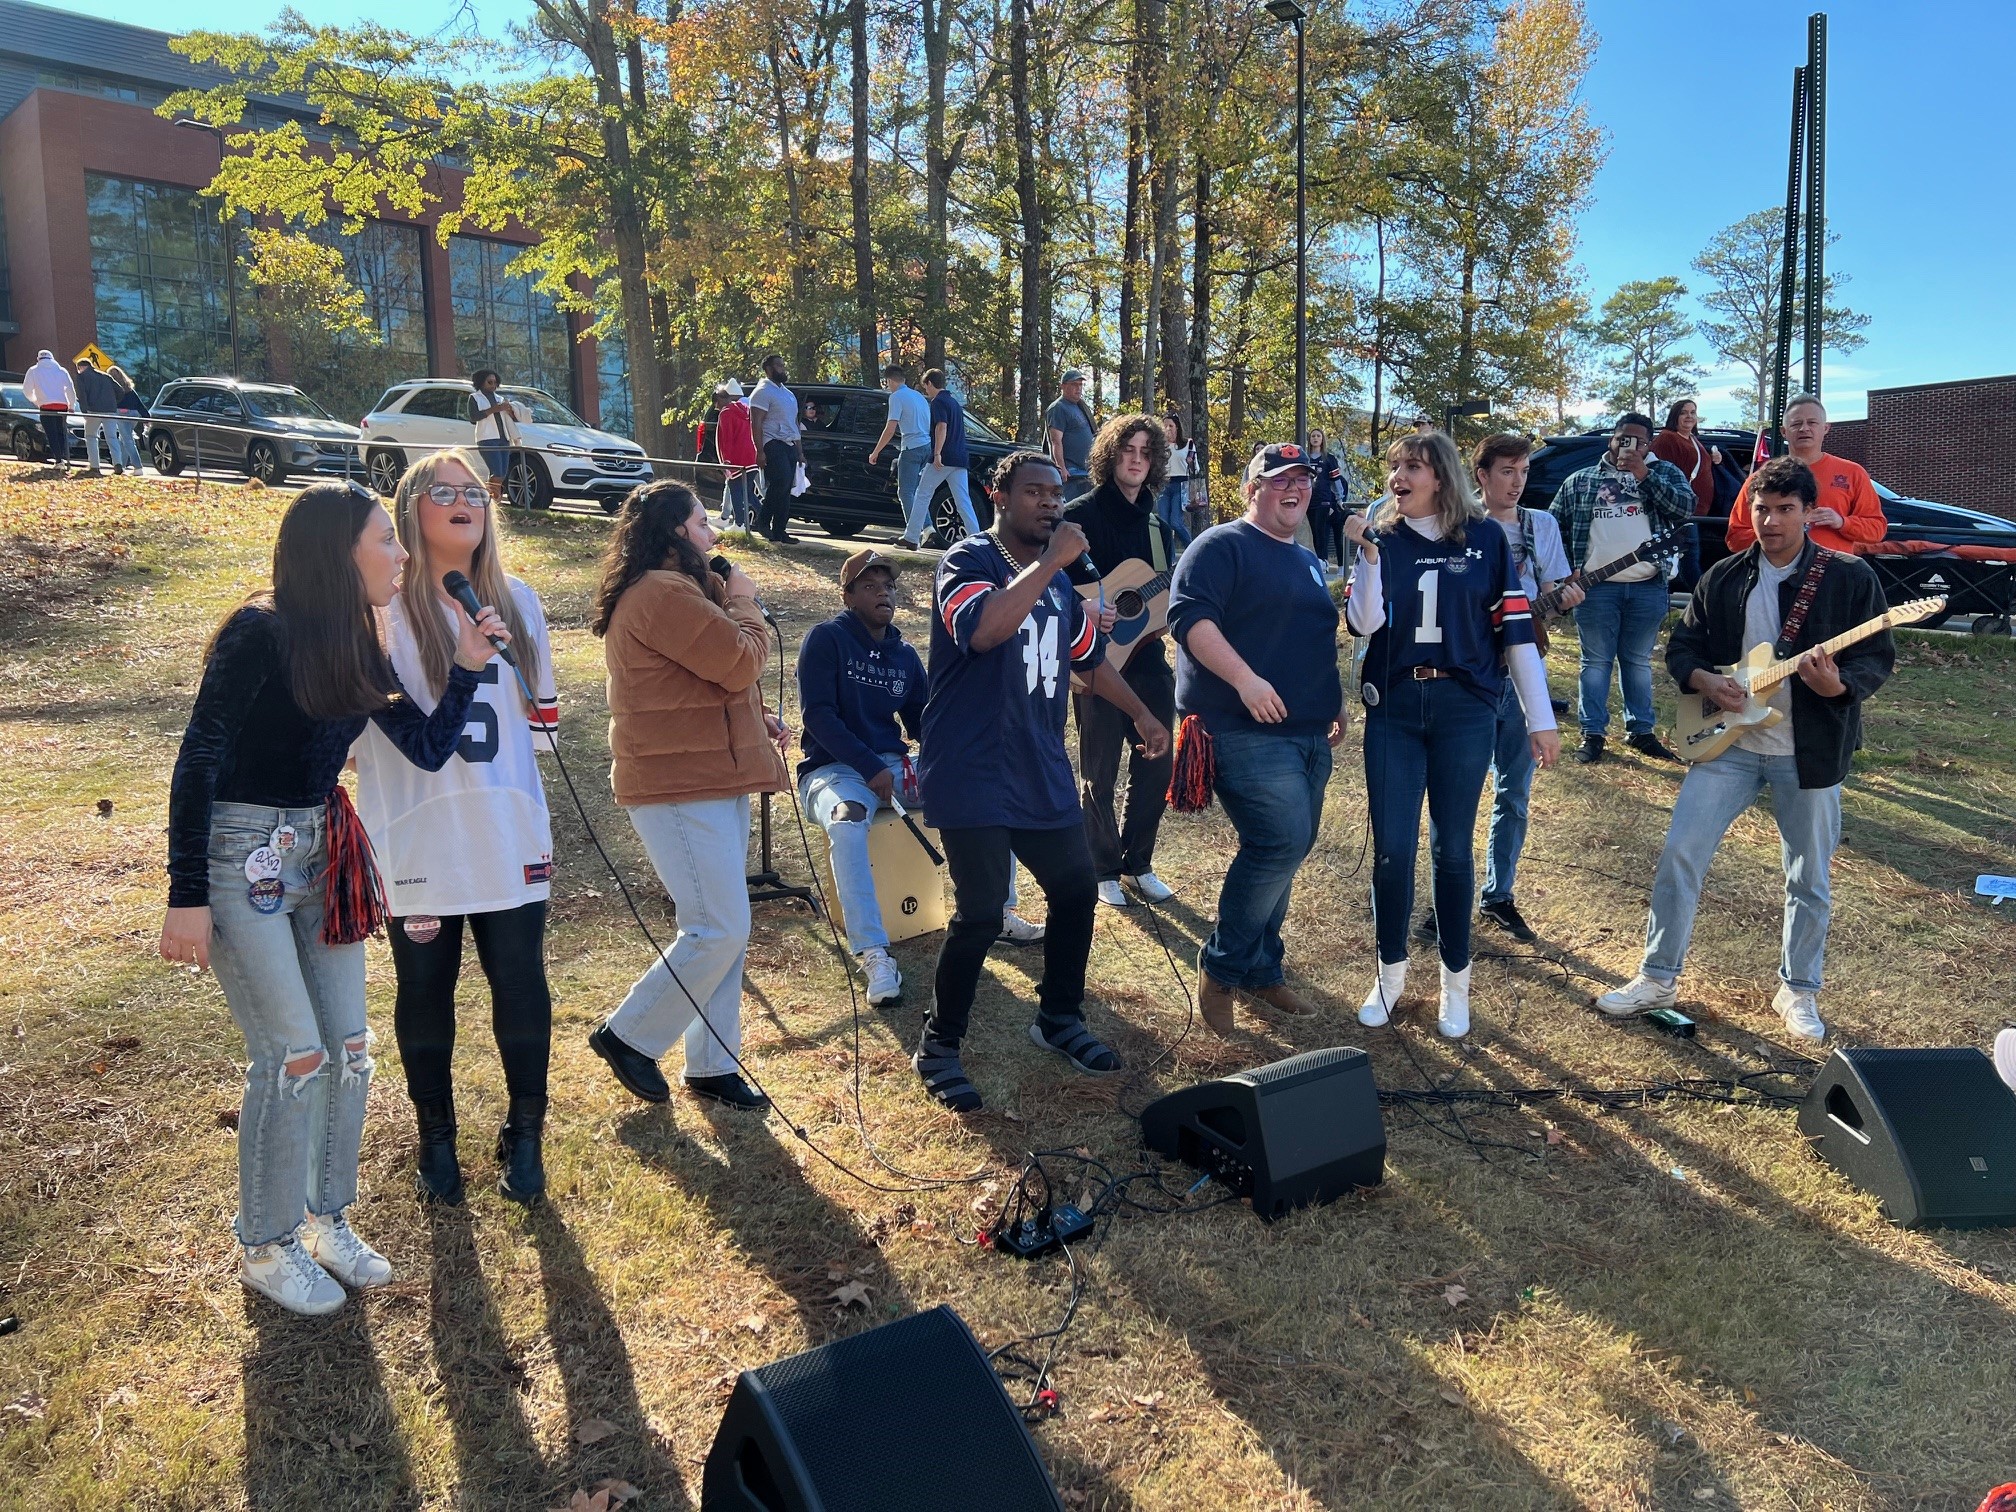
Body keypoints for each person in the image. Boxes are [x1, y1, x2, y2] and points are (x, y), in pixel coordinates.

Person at [159, 481, 506, 1315]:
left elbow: (423, 748)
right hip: (241, 857)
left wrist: (464, 671)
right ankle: (265, 1243)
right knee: (294, 1056)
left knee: (348, 1051)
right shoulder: (259, 632)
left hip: (322, 852)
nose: (401, 555)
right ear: (336, 552)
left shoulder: (359, 640)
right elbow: (199, 760)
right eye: (387, 539)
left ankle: (327, 1219)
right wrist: (188, 894)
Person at [1597, 457, 1895, 1042]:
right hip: (1727, 747)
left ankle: (1799, 990)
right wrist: (1705, 682)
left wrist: (1836, 686)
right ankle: (1657, 977)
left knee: (1808, 876)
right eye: (1762, 508)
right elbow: (1682, 649)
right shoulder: (1725, 577)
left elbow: (1875, 659)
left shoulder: (1849, 578)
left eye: (1786, 509)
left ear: (1810, 513)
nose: (1772, 520)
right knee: (1681, 852)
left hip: (1806, 752)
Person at [913, 451, 1169, 1112]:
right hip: (971, 765)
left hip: (1037, 762)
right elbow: (984, 631)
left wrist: (1141, 715)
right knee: (980, 910)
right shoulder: (968, 561)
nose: (1050, 503)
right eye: (1034, 492)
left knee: (1077, 887)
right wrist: (1052, 561)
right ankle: (939, 1044)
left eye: (1057, 493)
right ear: (999, 495)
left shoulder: (1056, 585)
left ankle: (1058, 1018)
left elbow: (1089, 660)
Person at [352, 449, 561, 1207]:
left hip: (508, 831)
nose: (461, 501)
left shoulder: (521, 603)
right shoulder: (376, 612)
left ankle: (526, 1133)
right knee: (425, 990)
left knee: (518, 980)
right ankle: (434, 1139)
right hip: (417, 839)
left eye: (474, 491)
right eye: (441, 491)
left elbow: (541, 731)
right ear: (410, 509)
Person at [1344, 432, 1558, 1038]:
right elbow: (1364, 623)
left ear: (1439, 475)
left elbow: (1516, 634)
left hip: (1466, 707)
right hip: (1395, 707)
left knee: (1453, 849)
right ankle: (1389, 977)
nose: (1397, 477)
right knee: (1390, 847)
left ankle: (1454, 982)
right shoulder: (1382, 538)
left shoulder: (1486, 538)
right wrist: (1366, 557)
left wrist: (1539, 718)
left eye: (1411, 466)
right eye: (1393, 467)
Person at [586, 481, 786, 1111]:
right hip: (677, 786)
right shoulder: (661, 593)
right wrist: (746, 600)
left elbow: (710, 684)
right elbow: (739, 661)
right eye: (703, 523)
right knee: (716, 927)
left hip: (704, 777)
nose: (714, 535)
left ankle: (712, 1065)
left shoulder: (673, 592)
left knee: (725, 925)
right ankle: (628, 1036)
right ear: (676, 532)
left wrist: (759, 720)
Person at [1168, 443, 1345, 1032]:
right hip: (1240, 726)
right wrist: (1244, 681)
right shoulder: (1220, 545)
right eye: (1280, 481)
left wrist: (1333, 704)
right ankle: (1221, 971)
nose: (1295, 489)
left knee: (1290, 849)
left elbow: (1312, 638)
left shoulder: (1307, 561)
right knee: (1279, 841)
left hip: (1308, 732)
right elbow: (1189, 620)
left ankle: (1264, 970)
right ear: (1251, 489)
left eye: (1303, 480)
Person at [1412, 434, 1580, 945]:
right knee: (1456, 795)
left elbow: (1550, 595)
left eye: (1523, 471)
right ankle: (1449, 899)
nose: (1517, 481)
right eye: (1506, 471)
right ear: (1480, 476)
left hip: (1521, 675)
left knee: (1516, 789)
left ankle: (1499, 893)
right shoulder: (1460, 528)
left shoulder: (1541, 525)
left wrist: (1564, 599)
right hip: (1469, 678)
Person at [796, 548, 929, 1005]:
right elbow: (818, 717)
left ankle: (1001, 911)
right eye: (870, 586)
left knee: (982, 792)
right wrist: (869, 766)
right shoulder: (826, 639)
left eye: (888, 586)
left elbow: (922, 720)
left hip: (893, 765)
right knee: (848, 820)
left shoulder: (905, 654)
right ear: (848, 595)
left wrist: (954, 759)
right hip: (832, 769)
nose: (883, 594)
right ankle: (874, 953)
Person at [1066, 413, 1182, 910]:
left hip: (1145, 656)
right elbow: (1046, 583)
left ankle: (1139, 862)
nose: (1136, 460)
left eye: (1145, 452)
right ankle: (1102, 867)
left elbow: (1156, 607)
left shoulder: (1159, 528)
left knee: (1159, 754)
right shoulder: (1078, 515)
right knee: (1101, 766)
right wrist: (1085, 608)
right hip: (1090, 656)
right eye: (1127, 450)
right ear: (1110, 456)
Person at [1550, 412, 1694, 764]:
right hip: (1594, 589)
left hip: (1647, 585)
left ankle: (1641, 732)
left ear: (1648, 446)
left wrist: (1644, 477)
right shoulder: (1580, 481)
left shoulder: (1665, 473)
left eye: (1638, 442)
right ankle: (1593, 733)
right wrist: (1566, 569)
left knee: (1638, 662)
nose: (1627, 446)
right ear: (1611, 440)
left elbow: (1686, 508)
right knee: (1595, 662)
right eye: (1621, 439)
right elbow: (1553, 528)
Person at [1725, 394, 1886, 556]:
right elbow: (1735, 538)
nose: (1804, 429)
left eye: (1812, 422)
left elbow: (1876, 529)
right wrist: (1777, 531)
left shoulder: (1852, 473)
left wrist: (1842, 522)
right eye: (1796, 424)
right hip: (1777, 575)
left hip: (1833, 574)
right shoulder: (1762, 479)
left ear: (1826, 428)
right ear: (1783, 431)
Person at [1652, 399, 1722, 585]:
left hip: (1697, 511)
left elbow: (1690, 458)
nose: (1689, 416)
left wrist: (1712, 455)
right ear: (1675, 416)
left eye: (1693, 412)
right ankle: (1700, 599)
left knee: (1689, 557)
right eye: (1684, 412)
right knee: (1689, 557)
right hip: (1680, 510)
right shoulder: (1666, 438)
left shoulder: (1692, 439)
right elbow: (1659, 470)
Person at [866, 364, 934, 548]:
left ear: (889, 381)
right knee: (918, 493)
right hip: (926, 445)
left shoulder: (896, 397)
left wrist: (876, 452)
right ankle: (927, 528)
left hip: (911, 447)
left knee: (905, 492)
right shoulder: (918, 396)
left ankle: (916, 533)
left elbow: (891, 428)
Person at [915, 368, 982, 542]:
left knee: (922, 494)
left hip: (944, 458)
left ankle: (912, 535)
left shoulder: (938, 402)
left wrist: (937, 453)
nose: (927, 392)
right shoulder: (954, 403)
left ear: (930, 383)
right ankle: (976, 537)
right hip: (960, 458)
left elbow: (941, 426)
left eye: (926, 387)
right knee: (962, 501)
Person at [747, 354, 804, 543]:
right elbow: (756, 423)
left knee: (787, 487)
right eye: (779, 365)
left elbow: (794, 424)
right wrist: (759, 450)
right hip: (771, 443)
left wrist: (800, 451)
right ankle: (763, 521)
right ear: (769, 369)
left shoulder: (787, 394)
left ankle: (780, 531)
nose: (783, 368)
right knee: (781, 480)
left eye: (783, 365)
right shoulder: (762, 391)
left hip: (789, 444)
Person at [469, 371, 530, 504]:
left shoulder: (499, 398)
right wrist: (494, 409)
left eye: (495, 382)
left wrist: (510, 410)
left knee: (502, 473)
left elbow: (510, 419)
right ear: (480, 382)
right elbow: (473, 417)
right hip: (486, 438)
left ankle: (490, 499)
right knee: (496, 471)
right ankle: (492, 500)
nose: (493, 385)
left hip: (504, 438)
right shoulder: (475, 398)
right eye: (489, 382)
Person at [712, 380, 758, 532]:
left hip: (736, 459)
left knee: (735, 490)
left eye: (716, 402)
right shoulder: (745, 410)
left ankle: (739, 523)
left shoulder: (726, 413)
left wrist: (727, 461)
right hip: (751, 456)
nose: (715, 407)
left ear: (721, 399)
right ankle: (764, 516)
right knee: (747, 492)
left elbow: (727, 439)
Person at [22, 349, 77, 472]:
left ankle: (58, 460)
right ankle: (64, 456)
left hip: (46, 406)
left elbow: (27, 390)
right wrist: (71, 405)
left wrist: (36, 401)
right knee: (61, 433)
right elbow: (70, 388)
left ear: (38, 359)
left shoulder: (33, 371)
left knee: (51, 434)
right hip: (62, 406)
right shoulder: (61, 371)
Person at [1045, 369, 1096, 502]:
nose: (1078, 388)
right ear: (1063, 386)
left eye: (1080, 385)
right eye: (1074, 385)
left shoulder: (1080, 407)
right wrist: (1061, 468)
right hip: (1071, 474)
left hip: (1086, 472)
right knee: (1071, 510)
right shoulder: (1058, 408)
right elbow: (1055, 441)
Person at [1305, 427, 1349, 575]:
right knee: (1313, 532)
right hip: (1308, 499)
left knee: (1321, 529)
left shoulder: (1329, 458)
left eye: (1318, 436)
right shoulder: (1305, 458)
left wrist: (1339, 498)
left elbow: (1336, 480)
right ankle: (1318, 559)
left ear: (1322, 439)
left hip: (1323, 499)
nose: (1315, 438)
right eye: (1313, 436)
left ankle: (1323, 560)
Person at [73, 357, 122, 476]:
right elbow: (120, 391)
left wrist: (84, 411)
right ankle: (118, 463)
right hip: (110, 410)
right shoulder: (106, 376)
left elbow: (82, 395)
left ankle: (95, 466)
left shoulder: (81, 377)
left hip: (93, 411)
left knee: (91, 437)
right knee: (112, 437)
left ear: (81, 367)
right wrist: (114, 403)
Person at [1156, 412, 1196, 547]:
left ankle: (1192, 548)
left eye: (1170, 426)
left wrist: (1190, 461)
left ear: (1177, 427)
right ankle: (1170, 560)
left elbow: (1196, 469)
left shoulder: (1188, 444)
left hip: (1180, 485)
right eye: (1165, 426)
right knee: (1164, 524)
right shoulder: (1160, 446)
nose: (1167, 428)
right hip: (1164, 485)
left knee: (1176, 522)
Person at [108, 364, 148, 475]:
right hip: (134, 415)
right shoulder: (129, 388)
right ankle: (122, 467)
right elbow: (139, 403)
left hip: (121, 413)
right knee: (123, 439)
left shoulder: (113, 389)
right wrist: (146, 417)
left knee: (128, 441)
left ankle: (138, 467)